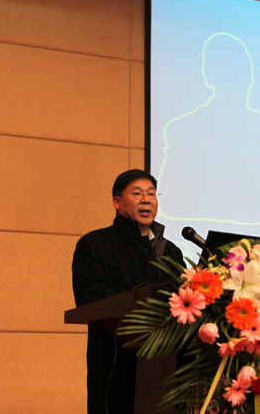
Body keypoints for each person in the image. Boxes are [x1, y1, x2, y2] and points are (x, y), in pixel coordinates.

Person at [72, 169, 185, 414]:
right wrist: (145, 303)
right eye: (137, 194)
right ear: (117, 202)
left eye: (152, 194)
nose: (147, 200)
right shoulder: (94, 245)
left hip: (167, 367)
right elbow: (88, 297)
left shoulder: (171, 251)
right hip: (115, 366)